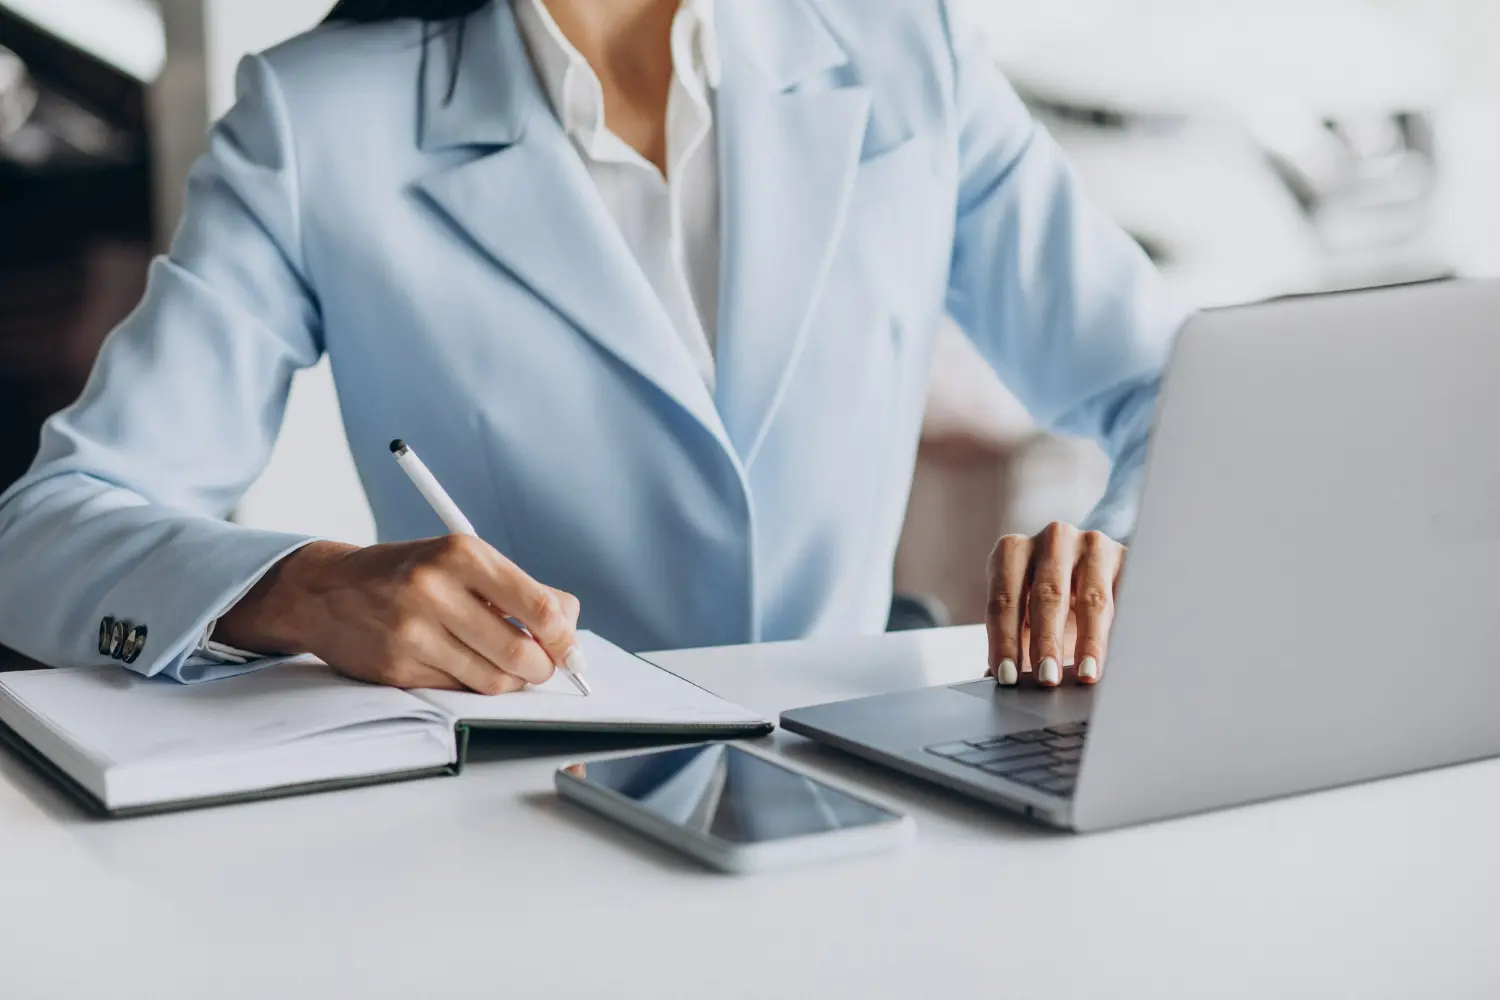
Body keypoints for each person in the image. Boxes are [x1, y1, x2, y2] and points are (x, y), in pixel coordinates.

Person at [0, 0, 1185, 694]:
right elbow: (47, 535)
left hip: (872, 776)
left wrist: (1119, 561)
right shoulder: (319, 118)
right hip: (528, 820)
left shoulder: (900, 41)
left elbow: (1172, 388)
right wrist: (305, 590)